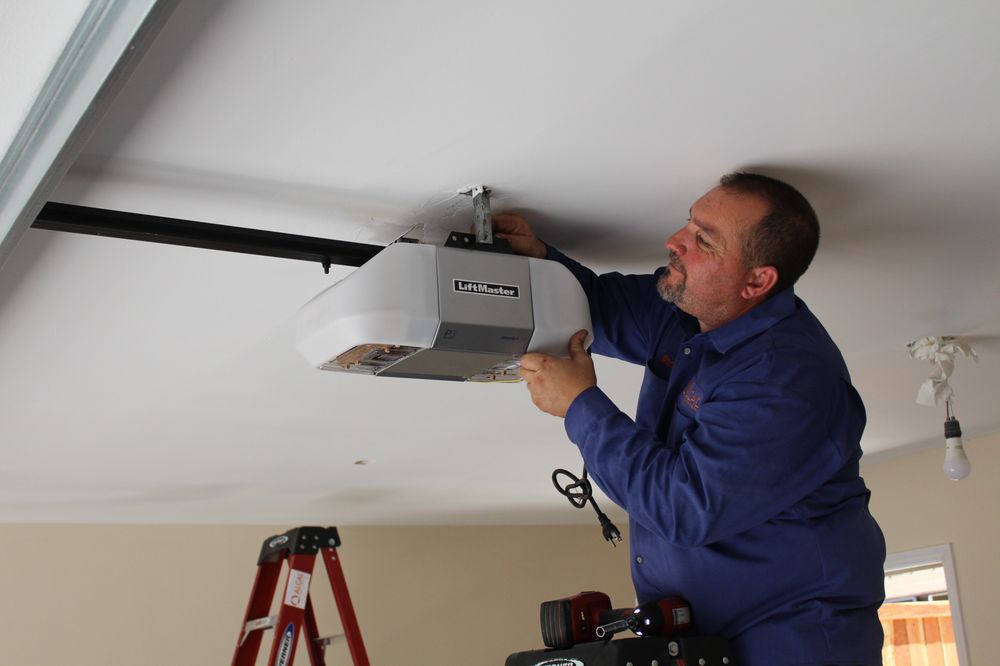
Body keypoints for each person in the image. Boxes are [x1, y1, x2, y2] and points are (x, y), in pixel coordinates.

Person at [494, 173, 886, 666]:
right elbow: (593, 305)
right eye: (689, 224)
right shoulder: (691, 312)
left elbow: (685, 505)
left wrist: (579, 405)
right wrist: (540, 263)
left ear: (757, 280)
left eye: (704, 240)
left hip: (791, 640)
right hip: (705, 640)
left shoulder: (786, 378)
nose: (674, 242)